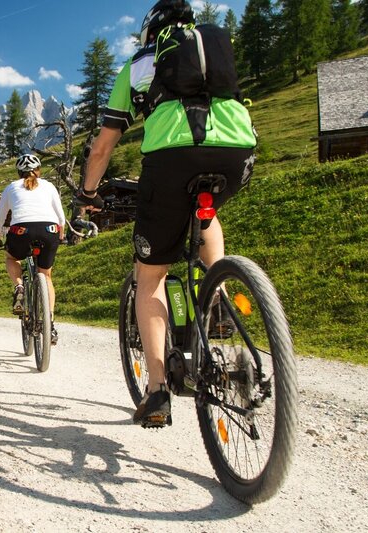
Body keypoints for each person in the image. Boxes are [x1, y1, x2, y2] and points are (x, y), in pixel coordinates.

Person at [77, 0, 257, 427]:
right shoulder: (213, 52)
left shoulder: (139, 65)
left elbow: (103, 147)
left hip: (173, 159)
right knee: (207, 213)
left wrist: (87, 193)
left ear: (150, 33)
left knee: (151, 276)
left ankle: (157, 391)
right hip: (236, 154)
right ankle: (218, 294)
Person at [0, 154, 66, 345]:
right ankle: (50, 324)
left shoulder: (10, 188)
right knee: (46, 276)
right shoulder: (49, 186)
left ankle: (19, 287)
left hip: (21, 231)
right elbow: (61, 217)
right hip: (50, 230)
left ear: (18, 172)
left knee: (11, 258)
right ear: (38, 170)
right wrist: (62, 235)